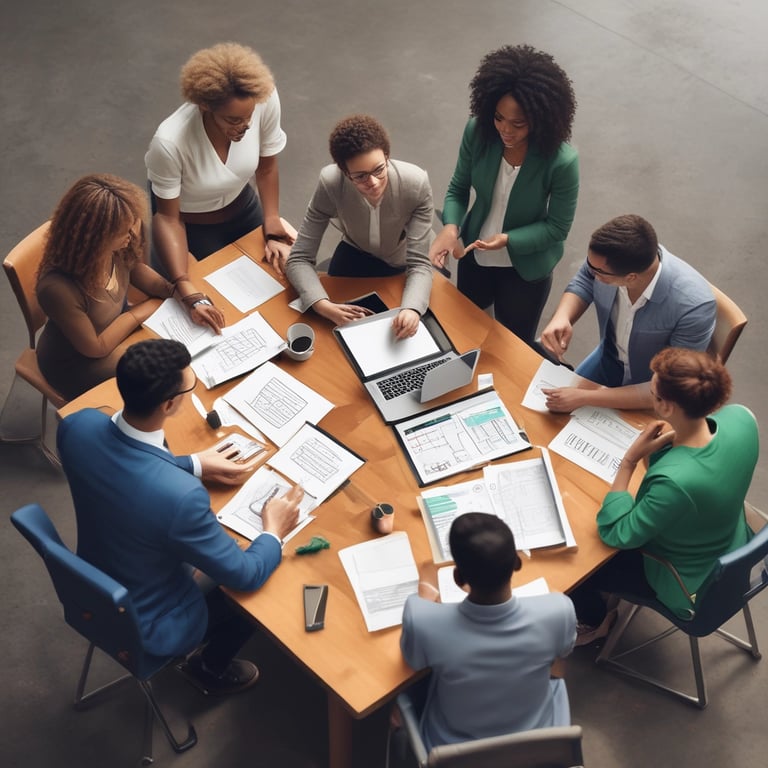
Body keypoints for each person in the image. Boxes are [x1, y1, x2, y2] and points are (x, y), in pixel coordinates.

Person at [57, 339, 303, 694]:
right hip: (154, 624)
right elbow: (245, 575)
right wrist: (273, 531)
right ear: (170, 403)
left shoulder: (77, 426)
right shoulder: (181, 498)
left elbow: (121, 467)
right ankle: (207, 667)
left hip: (93, 582)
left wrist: (194, 463)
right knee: (261, 585)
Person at [571, 347, 759, 643]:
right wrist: (674, 439)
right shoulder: (743, 419)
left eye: (653, 393)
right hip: (730, 540)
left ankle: (596, 622)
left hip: (687, 582)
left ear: (668, 407)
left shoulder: (674, 481)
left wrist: (629, 461)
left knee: (583, 561)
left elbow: (616, 533)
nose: (650, 394)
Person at [429, 45, 579, 345]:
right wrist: (450, 227)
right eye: (499, 118)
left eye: (518, 124)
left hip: (524, 270)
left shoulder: (562, 161)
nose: (505, 130)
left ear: (541, 117)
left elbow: (557, 228)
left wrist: (508, 239)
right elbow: (458, 189)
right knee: (465, 331)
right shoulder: (478, 132)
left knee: (513, 345)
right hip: (475, 254)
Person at [399, 513, 575, 753]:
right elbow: (561, 657)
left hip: (455, 753)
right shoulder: (558, 610)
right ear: (517, 562)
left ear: (458, 577)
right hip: (538, 747)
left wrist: (425, 586)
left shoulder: (422, 620)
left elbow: (414, 661)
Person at [35, 174, 222, 401]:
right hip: (78, 363)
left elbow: (137, 271)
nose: (133, 235)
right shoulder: (56, 289)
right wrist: (148, 307)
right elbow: (95, 347)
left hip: (116, 331)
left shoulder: (116, 247)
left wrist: (182, 296)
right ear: (97, 238)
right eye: (124, 231)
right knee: (162, 378)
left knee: (180, 367)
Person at [145, 42, 293, 301]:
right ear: (205, 106)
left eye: (249, 116)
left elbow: (267, 167)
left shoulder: (264, 98)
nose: (245, 126)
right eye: (233, 120)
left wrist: (272, 222)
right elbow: (168, 219)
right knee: (214, 302)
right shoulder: (169, 142)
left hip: (243, 209)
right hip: (191, 227)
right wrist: (182, 282)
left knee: (280, 283)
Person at [540, 214, 716, 412]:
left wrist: (587, 397)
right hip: (608, 360)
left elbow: (670, 386)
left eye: (597, 272)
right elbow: (584, 279)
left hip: (653, 389)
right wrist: (562, 317)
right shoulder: (609, 263)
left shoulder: (694, 307)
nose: (591, 272)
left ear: (631, 277)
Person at [285, 114, 434, 340]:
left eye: (378, 169)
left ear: (387, 156)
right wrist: (322, 305)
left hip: (404, 256)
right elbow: (298, 258)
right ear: (345, 173)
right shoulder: (331, 183)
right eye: (360, 176)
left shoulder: (415, 183)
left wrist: (412, 309)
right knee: (332, 332)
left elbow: (420, 264)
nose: (373, 182)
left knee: (427, 320)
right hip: (357, 250)